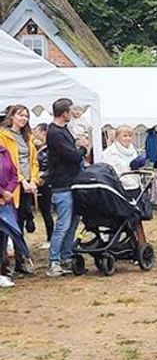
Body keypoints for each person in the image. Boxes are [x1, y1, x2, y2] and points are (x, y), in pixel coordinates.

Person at [46, 98, 87, 277]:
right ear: (64, 113)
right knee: (63, 225)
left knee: (72, 222)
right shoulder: (55, 133)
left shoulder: (63, 131)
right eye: (70, 111)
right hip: (62, 184)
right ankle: (54, 261)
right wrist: (83, 149)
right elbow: (71, 156)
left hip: (72, 182)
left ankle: (66, 256)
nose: (72, 114)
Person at [0, 105, 39, 276]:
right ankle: (4, 263)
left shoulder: (28, 137)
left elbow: (33, 161)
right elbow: (8, 164)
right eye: (20, 115)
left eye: (26, 115)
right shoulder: (4, 136)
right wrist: (21, 180)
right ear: (12, 116)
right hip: (12, 185)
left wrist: (33, 180)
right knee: (8, 224)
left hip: (27, 186)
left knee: (22, 221)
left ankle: (21, 261)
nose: (23, 118)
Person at [0, 136, 30, 287]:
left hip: (6, 201)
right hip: (2, 197)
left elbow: (14, 173)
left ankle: (1, 272)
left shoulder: (5, 152)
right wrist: (1, 192)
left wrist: (8, 192)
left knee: (3, 237)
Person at [33, 123, 54, 247]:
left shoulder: (49, 149)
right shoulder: (41, 148)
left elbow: (50, 166)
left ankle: (51, 237)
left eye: (37, 131)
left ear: (43, 132)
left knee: (46, 210)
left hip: (46, 183)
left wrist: (43, 176)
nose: (35, 133)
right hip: (41, 181)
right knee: (44, 210)